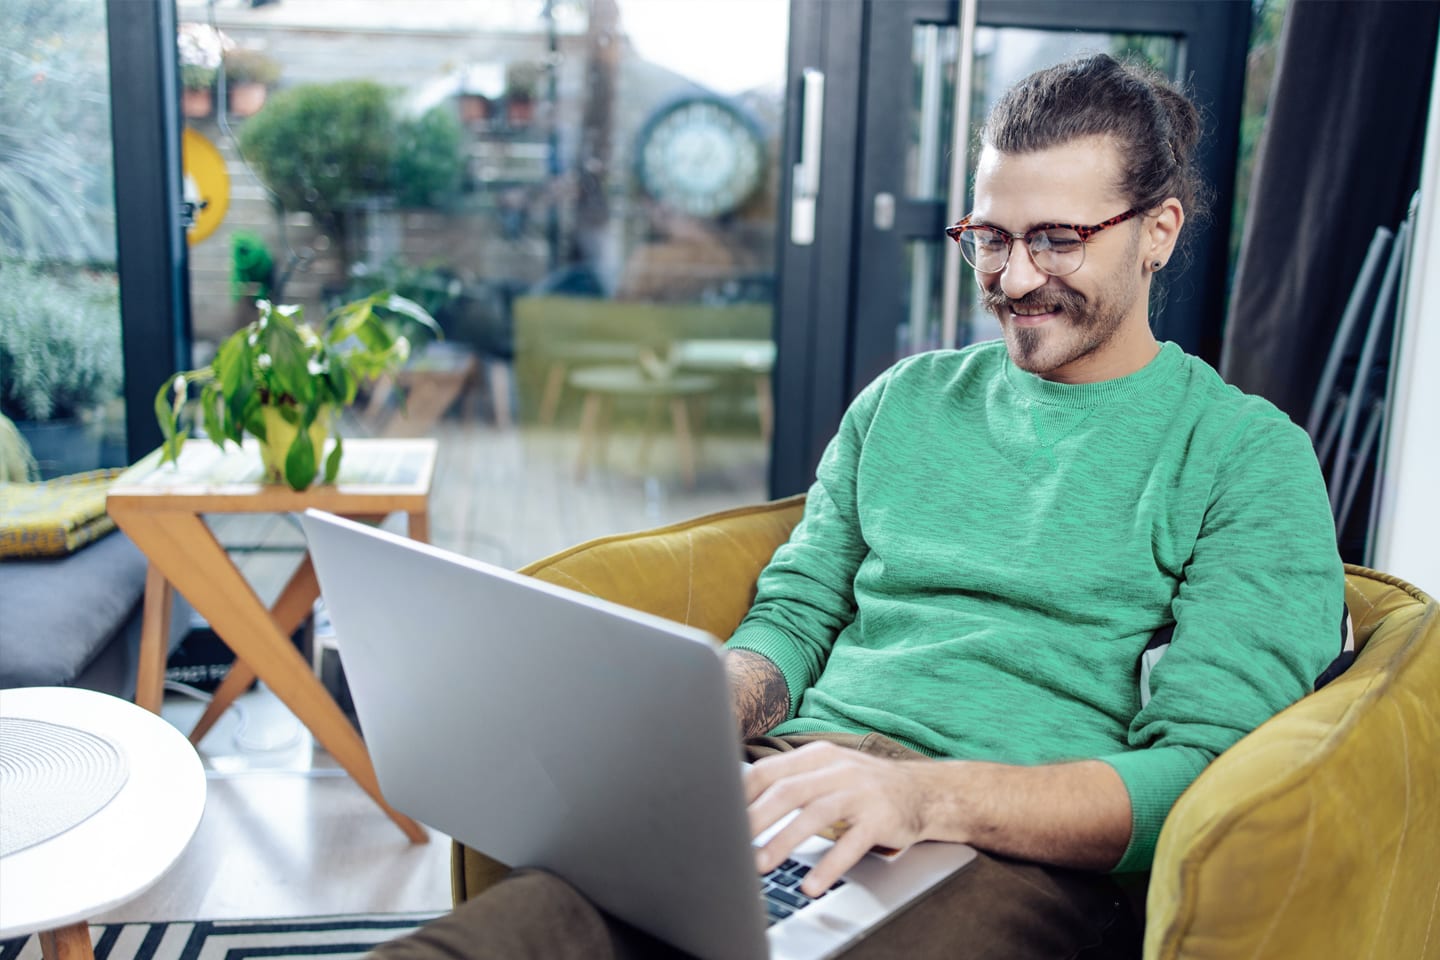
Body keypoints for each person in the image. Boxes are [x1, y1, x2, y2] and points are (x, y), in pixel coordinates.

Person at [372, 54, 1344, 959]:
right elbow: (795, 614)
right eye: (989, 239)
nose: (1011, 279)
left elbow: (1207, 780)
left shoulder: (1245, 458)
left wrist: (920, 798)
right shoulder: (905, 401)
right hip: (792, 781)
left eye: (1056, 239)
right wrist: (711, 708)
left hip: (1012, 853)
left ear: (1158, 232)